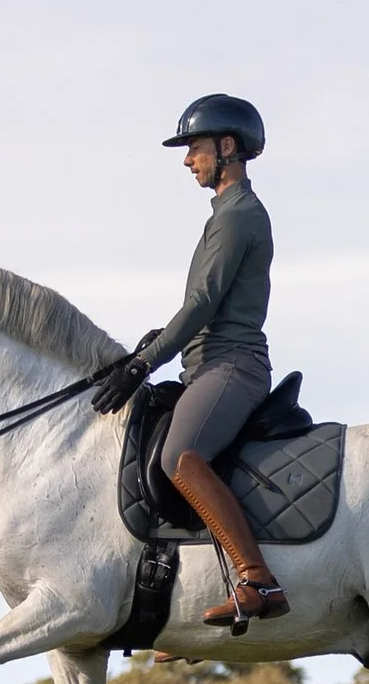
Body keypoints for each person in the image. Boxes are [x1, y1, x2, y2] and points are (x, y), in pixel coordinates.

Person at [93, 94, 288, 624]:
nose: (187, 160)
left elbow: (201, 305)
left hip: (232, 366)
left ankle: (258, 580)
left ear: (227, 147)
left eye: (195, 148)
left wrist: (142, 366)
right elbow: (203, 304)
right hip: (204, 365)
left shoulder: (238, 216)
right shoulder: (224, 214)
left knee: (180, 456)